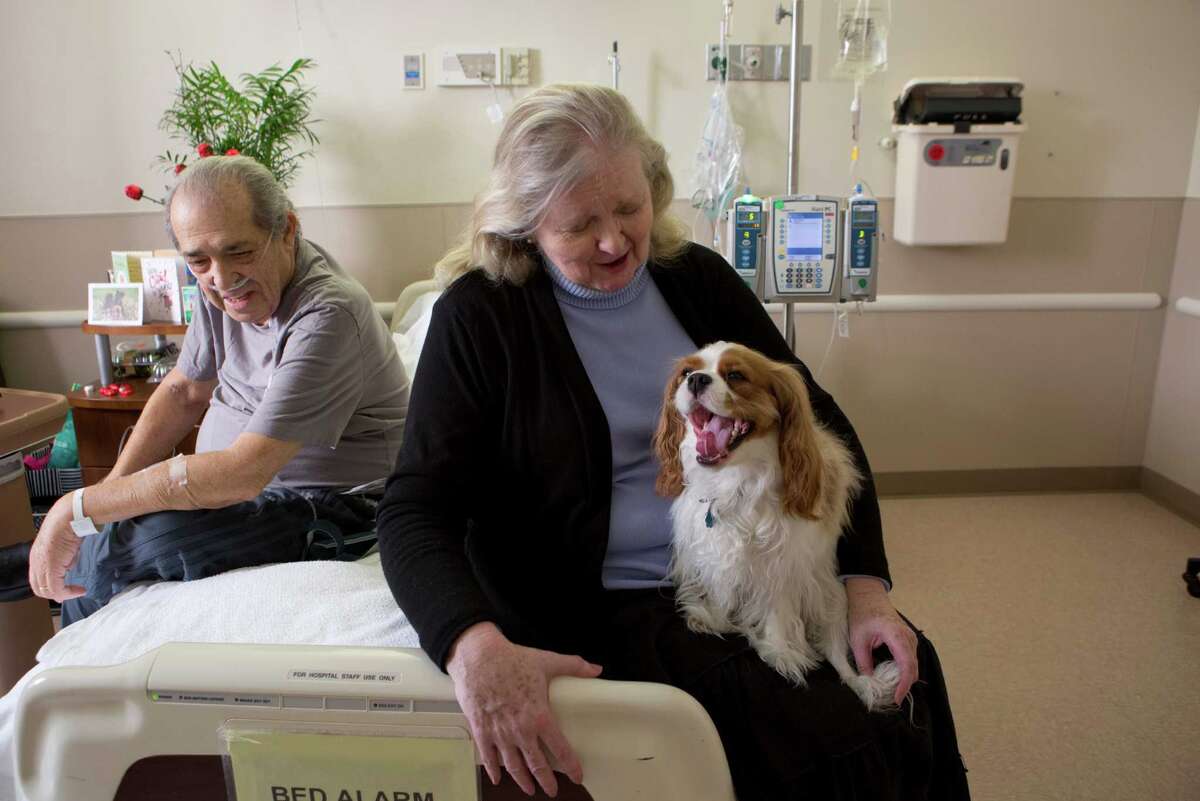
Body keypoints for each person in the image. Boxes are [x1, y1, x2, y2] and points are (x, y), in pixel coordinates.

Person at [377, 84, 970, 800]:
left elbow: (817, 419)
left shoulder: (696, 280)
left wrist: (867, 589)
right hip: (613, 601)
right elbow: (414, 509)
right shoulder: (479, 319)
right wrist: (469, 644)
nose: (614, 239)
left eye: (629, 207)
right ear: (527, 224)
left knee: (908, 669)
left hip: (753, 561)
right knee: (813, 726)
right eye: (579, 224)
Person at [0, 156, 410, 624]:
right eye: (198, 260)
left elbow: (243, 473)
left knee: (147, 539)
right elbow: (184, 391)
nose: (221, 276)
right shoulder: (223, 287)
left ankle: (42, 578)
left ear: (287, 230)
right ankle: (48, 561)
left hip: (338, 506)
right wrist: (109, 493)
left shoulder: (329, 314)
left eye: (240, 251)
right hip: (250, 494)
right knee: (121, 518)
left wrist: (78, 507)